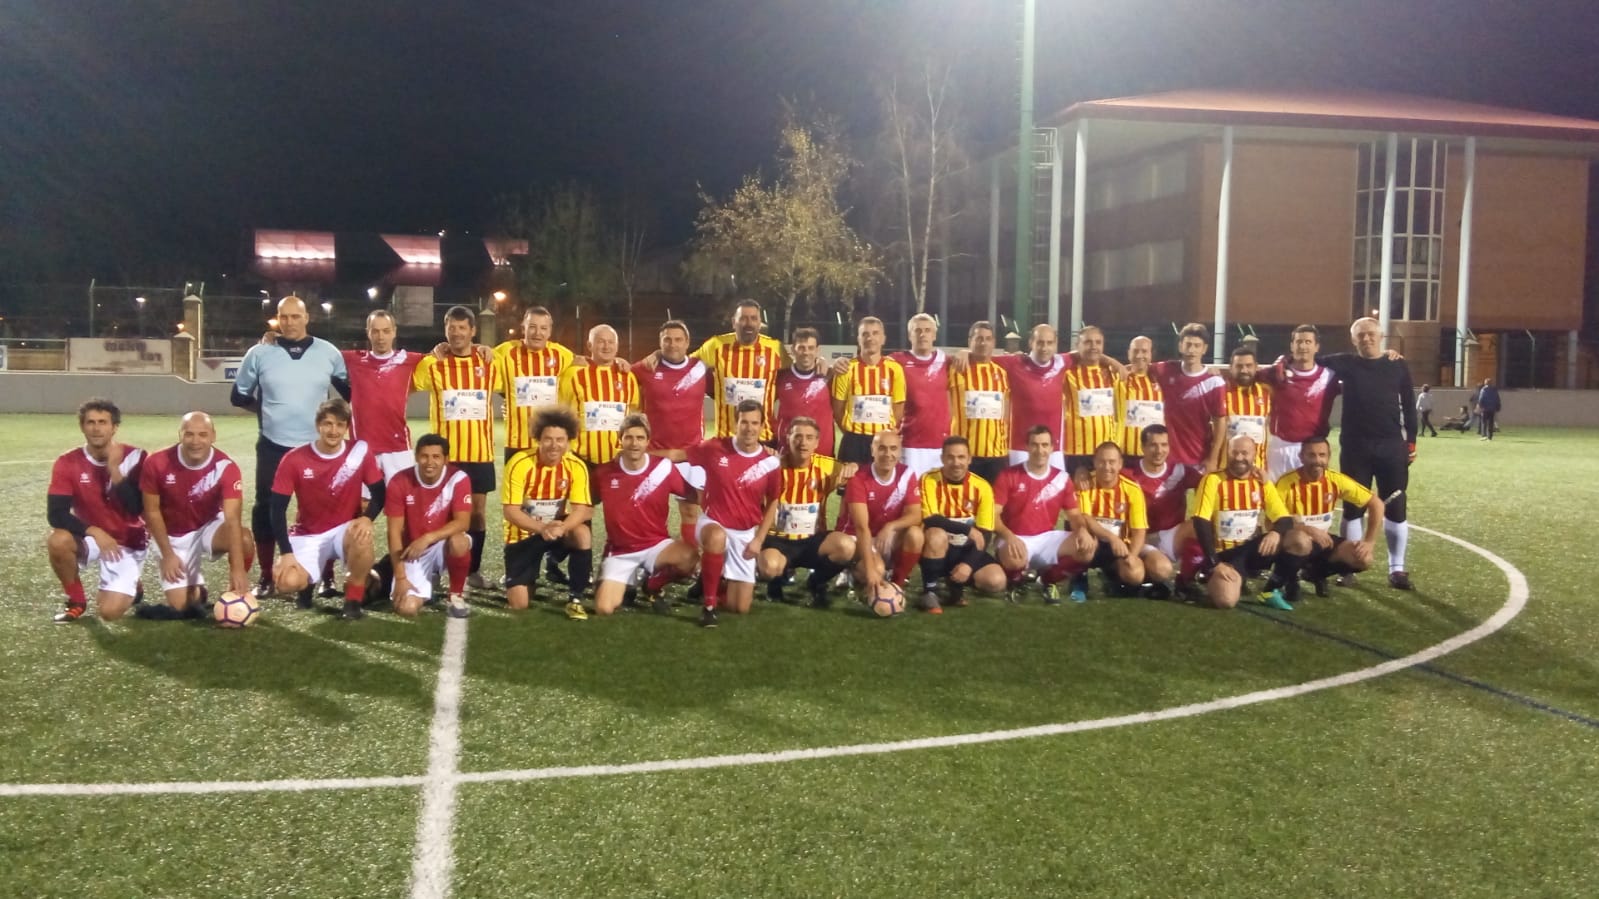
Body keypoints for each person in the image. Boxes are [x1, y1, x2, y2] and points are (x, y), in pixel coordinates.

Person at [231, 295, 349, 595]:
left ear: (307, 318)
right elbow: (238, 396)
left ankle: (327, 576)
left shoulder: (328, 352)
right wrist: (267, 412)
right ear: (277, 319)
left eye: (296, 316)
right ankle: (266, 577)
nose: (290, 322)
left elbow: (350, 392)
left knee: (322, 509)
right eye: (284, 317)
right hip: (274, 445)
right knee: (266, 508)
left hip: (317, 448)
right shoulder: (259, 353)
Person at [661, 399, 782, 627]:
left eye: (754, 423)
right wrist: (642, 454)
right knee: (717, 537)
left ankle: (711, 581)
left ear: (762, 425)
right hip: (713, 523)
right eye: (744, 422)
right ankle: (709, 607)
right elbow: (678, 455)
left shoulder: (770, 463)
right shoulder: (715, 448)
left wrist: (758, 539)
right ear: (736, 423)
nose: (749, 428)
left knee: (740, 607)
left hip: (745, 534)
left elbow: (773, 500)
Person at [1318, 317, 1418, 590]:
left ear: (1381, 336)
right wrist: (1281, 362)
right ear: (1353, 340)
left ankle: (1397, 569)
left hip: (1391, 447)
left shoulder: (1397, 364)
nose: (1366, 338)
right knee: (1353, 508)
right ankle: (1348, 566)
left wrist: (1411, 442)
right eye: (1360, 335)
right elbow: (1309, 360)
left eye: (1371, 333)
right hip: (1355, 448)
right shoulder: (1345, 362)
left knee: (1396, 506)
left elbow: (1409, 404)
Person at [267, 399, 384, 619]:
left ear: (346, 427)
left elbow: (380, 493)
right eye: (328, 424)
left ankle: (352, 603)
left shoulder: (359, 451)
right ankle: (306, 586)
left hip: (344, 531)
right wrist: (286, 553)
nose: (333, 430)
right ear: (317, 425)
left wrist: (367, 518)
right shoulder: (294, 459)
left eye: (340, 425)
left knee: (362, 537)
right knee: (286, 583)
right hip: (308, 533)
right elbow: (277, 510)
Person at [411, 305, 501, 589]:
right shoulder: (432, 363)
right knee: (439, 513)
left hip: (480, 453)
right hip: (444, 457)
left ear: (473, 331)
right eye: (452, 327)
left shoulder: (490, 362)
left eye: (463, 328)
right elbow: (405, 383)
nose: (457, 333)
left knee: (477, 514)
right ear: (445, 330)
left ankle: (473, 571)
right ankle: (434, 570)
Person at [137, 412, 250, 618]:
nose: (195, 441)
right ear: (180, 435)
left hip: (208, 526)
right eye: (189, 434)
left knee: (244, 539)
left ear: (213, 436)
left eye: (202, 434)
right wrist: (168, 554)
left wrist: (238, 569)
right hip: (171, 535)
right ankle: (198, 592)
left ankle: (233, 595)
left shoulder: (226, 467)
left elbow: (232, 519)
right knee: (182, 605)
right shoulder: (157, 462)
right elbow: (151, 512)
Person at [46, 398, 148, 623]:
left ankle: (134, 584)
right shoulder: (67, 462)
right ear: (82, 426)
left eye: (103, 422)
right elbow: (56, 514)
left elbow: (137, 508)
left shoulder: (136, 458)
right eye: (90, 422)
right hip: (92, 538)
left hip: (128, 541)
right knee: (58, 541)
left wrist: (114, 470)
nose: (96, 428)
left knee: (109, 613)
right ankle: (76, 601)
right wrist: (94, 531)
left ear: (114, 427)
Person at [591, 414, 699, 616]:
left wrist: (723, 498)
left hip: (656, 545)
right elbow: (588, 502)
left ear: (648, 441)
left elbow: (692, 493)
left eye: (640, 438)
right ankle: (629, 576)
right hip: (620, 551)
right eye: (629, 437)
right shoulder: (604, 473)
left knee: (689, 557)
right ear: (620, 440)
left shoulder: (663, 467)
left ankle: (651, 585)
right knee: (604, 608)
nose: (634, 443)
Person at [1185, 434, 1307, 609]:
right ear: (1227, 453)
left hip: (1254, 549)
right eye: (1234, 452)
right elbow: (1200, 521)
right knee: (1226, 601)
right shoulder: (1213, 480)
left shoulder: (1261, 482)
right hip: (1226, 555)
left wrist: (1275, 533)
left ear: (1254, 454)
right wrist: (1215, 563)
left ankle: (1270, 591)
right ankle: (1219, 578)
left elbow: (1284, 519)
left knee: (1300, 540)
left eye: (1245, 453)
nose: (1239, 457)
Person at [501, 408, 594, 619]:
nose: (554, 445)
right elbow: (510, 511)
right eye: (548, 439)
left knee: (582, 533)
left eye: (560, 440)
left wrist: (563, 527)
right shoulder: (519, 463)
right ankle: (529, 576)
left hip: (557, 530)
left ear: (568, 441)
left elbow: (582, 509)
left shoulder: (576, 466)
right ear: (538, 439)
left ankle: (575, 598)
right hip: (523, 534)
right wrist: (543, 528)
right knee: (520, 604)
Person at [990, 425, 1096, 604]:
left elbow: (1075, 516)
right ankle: (1016, 580)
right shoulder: (1008, 475)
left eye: (1045, 445)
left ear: (1052, 448)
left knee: (1087, 548)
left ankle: (1048, 580)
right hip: (1015, 536)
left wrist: (1083, 531)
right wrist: (1009, 536)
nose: (1040, 450)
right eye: (1035, 445)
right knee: (1014, 559)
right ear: (1027, 447)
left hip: (1047, 538)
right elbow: (992, 516)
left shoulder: (1062, 478)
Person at [757, 416, 854, 608]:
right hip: (779, 540)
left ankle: (816, 582)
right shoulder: (773, 467)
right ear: (788, 438)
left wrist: (853, 467)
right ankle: (775, 582)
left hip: (812, 540)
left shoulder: (828, 467)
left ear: (817, 442)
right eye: (798, 436)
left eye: (809, 437)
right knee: (769, 567)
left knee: (846, 547)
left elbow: (859, 474)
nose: (803, 442)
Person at [632, 319, 712, 543]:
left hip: (689, 454)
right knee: (651, 511)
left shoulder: (700, 367)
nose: (673, 344)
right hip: (654, 454)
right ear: (660, 342)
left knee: (690, 510)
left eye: (678, 340)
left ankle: (689, 554)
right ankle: (653, 552)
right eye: (667, 340)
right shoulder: (646, 368)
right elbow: (619, 374)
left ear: (687, 342)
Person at [1274, 437, 1384, 596]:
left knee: (1363, 559)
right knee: (1300, 540)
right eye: (1311, 455)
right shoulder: (1286, 483)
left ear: (1328, 457)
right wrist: (1308, 530)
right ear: (1301, 457)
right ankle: (1289, 578)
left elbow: (1377, 504)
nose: (1317, 460)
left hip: (1323, 541)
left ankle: (1315, 573)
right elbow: (1272, 522)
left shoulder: (1335, 480)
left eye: (1322, 455)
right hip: (1293, 542)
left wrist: (1369, 542)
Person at [385, 434, 473, 619]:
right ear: (416, 457)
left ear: (446, 459)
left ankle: (455, 595)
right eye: (424, 456)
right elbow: (393, 532)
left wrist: (427, 538)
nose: (430, 462)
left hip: (442, 545)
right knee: (407, 609)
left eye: (436, 456)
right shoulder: (399, 481)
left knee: (459, 541)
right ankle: (428, 583)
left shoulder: (458, 478)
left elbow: (463, 522)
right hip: (413, 551)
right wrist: (401, 577)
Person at [677, 299, 786, 442]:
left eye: (754, 318)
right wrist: (659, 354)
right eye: (743, 318)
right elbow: (682, 364)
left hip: (764, 439)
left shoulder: (776, 349)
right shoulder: (716, 346)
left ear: (760, 323)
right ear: (734, 322)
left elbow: (798, 372)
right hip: (726, 439)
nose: (749, 323)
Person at [918, 435, 1007, 609]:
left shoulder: (982, 487)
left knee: (996, 581)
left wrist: (968, 564)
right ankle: (930, 591)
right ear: (942, 458)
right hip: (938, 548)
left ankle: (956, 583)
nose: (956, 463)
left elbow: (985, 533)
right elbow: (930, 519)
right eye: (950, 457)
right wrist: (967, 530)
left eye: (961, 457)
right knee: (936, 534)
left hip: (966, 550)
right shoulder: (929, 480)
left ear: (969, 459)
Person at [836, 428, 925, 596]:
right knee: (876, 570)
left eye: (893, 448)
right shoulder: (858, 478)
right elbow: (861, 528)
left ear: (900, 451)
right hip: (857, 537)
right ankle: (851, 569)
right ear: (873, 450)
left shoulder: (906, 474)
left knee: (916, 535)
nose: (888, 454)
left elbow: (915, 515)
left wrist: (890, 526)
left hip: (885, 535)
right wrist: (871, 571)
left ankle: (898, 583)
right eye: (882, 448)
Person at [343, 309, 425, 481]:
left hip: (398, 448)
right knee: (362, 499)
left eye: (386, 331)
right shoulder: (353, 359)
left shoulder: (409, 360)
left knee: (403, 497)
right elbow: (320, 353)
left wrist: (478, 347)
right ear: (368, 332)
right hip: (361, 448)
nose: (381, 337)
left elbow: (446, 357)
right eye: (375, 331)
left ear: (394, 332)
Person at [1258, 324, 1340, 481]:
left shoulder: (1329, 376)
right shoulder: (1276, 373)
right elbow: (1247, 376)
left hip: (1312, 449)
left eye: (1308, 342)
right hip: (1280, 447)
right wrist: (1216, 372)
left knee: (1310, 494)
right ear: (1292, 345)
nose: (1303, 346)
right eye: (1299, 342)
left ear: (1317, 347)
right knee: (1276, 494)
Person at [1121, 424, 1197, 596]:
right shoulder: (1128, 473)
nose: (1159, 451)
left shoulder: (1179, 470)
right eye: (1153, 445)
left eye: (1164, 445)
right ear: (1143, 447)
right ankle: (1133, 573)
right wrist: (1082, 473)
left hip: (1171, 536)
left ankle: (1187, 579)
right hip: (1141, 538)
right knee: (1161, 569)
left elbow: (1211, 484)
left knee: (1202, 525)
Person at [493, 305, 575, 462]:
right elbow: (477, 358)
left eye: (543, 328)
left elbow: (589, 365)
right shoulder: (506, 352)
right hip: (517, 442)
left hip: (550, 443)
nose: (538, 333)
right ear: (523, 328)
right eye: (532, 327)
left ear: (549, 332)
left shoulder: (562, 355)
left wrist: (618, 361)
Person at [1071, 442, 1150, 601]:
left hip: (1119, 546)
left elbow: (1139, 530)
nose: (1107, 467)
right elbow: (1085, 518)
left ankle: (1113, 578)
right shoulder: (1085, 484)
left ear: (1120, 464)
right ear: (1094, 462)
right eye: (1102, 461)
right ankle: (1079, 578)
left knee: (1135, 574)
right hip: (1092, 541)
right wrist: (1111, 537)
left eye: (1112, 462)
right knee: (1081, 537)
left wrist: (1132, 556)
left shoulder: (1132, 490)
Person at [1150, 322, 1228, 475]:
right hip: (1167, 458)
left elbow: (1220, 423)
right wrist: (1115, 365)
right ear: (1181, 346)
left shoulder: (1214, 382)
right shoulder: (1166, 369)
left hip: (1199, 458)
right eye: (1188, 345)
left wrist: (1213, 458)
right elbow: (1139, 367)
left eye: (1197, 346)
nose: (1192, 350)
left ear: (1204, 349)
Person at [559, 323, 640, 468]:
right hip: (580, 458)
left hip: (618, 459)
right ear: (589, 345)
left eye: (611, 342)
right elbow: (560, 412)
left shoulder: (627, 376)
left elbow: (633, 414)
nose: (606, 346)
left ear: (617, 346)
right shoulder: (573, 374)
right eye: (601, 341)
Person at [995, 323, 1072, 471]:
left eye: (1049, 343)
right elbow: (982, 358)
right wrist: (965, 353)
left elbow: (1089, 353)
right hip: (1020, 447)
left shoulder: (1062, 362)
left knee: (1055, 485)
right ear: (1031, 343)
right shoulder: (1014, 363)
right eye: (1040, 342)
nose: (1044, 348)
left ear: (1055, 344)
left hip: (1054, 448)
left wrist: (1112, 362)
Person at [831, 316, 906, 466]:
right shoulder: (847, 369)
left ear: (883, 339)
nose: (870, 338)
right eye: (865, 334)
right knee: (850, 480)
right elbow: (838, 409)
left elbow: (898, 407)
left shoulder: (895, 369)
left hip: (883, 441)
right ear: (858, 339)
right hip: (854, 441)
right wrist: (852, 432)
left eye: (875, 333)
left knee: (882, 480)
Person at [947, 321, 1010, 485]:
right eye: (979, 338)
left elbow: (1006, 410)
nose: (983, 343)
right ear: (970, 341)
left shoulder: (1001, 373)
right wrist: (961, 352)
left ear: (993, 342)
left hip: (996, 454)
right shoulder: (956, 368)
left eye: (988, 339)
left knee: (994, 500)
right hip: (965, 454)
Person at [890, 313, 952, 475]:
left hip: (941, 444)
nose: (922, 334)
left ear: (934, 335)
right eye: (917, 330)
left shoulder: (946, 361)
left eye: (927, 330)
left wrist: (966, 353)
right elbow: (871, 364)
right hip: (910, 444)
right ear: (910, 335)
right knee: (911, 490)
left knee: (937, 490)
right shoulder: (897, 360)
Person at [1061, 326, 1122, 482]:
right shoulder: (1067, 373)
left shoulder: (1112, 373)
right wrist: (1109, 359)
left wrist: (1111, 362)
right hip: (1077, 451)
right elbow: (1050, 359)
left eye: (1098, 342)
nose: (1093, 346)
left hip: (1105, 451)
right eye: (1088, 342)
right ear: (1077, 345)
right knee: (1079, 495)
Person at [774, 327, 836, 457]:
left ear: (817, 350)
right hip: (788, 453)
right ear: (793, 350)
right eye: (801, 348)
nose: (806, 352)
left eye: (811, 348)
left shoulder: (829, 375)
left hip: (822, 453)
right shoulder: (780, 377)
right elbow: (765, 405)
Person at [1219, 345, 1272, 472]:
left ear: (1256, 367)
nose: (1244, 370)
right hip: (1225, 466)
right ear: (1231, 368)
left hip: (1258, 467)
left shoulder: (1266, 392)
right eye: (1239, 366)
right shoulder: (1220, 392)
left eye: (1249, 366)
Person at [1114, 336, 1163, 460]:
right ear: (1129, 353)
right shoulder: (1119, 378)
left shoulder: (1162, 381)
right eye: (1135, 351)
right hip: (1124, 453)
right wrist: (1117, 364)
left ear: (1151, 354)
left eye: (1144, 351)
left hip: (1154, 454)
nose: (1139, 355)